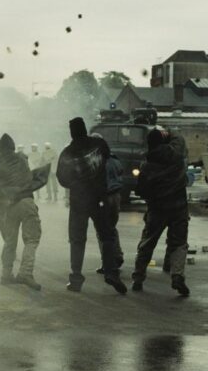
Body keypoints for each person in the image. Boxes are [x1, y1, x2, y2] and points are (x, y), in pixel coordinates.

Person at [57, 117, 126, 294]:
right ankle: (111, 273)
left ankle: (76, 279)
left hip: (79, 202)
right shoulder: (99, 144)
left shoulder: (67, 153)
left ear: (71, 132)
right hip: (99, 199)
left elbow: (62, 179)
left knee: (77, 239)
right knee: (107, 235)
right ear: (85, 129)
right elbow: (107, 156)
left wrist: (76, 182)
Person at [131, 128, 190, 296]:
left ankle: (138, 277)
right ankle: (177, 275)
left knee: (148, 242)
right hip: (179, 207)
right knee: (179, 243)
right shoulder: (178, 157)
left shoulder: (147, 165)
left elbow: (141, 190)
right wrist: (169, 131)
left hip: (157, 209)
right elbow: (179, 139)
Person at [0, 133, 45, 290]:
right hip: (26, 201)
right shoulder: (21, 159)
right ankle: (25, 273)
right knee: (31, 239)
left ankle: (6, 274)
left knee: (10, 241)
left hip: (9, 206)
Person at [96, 143, 125, 274]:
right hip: (116, 196)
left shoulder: (97, 161)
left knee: (102, 231)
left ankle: (107, 262)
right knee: (112, 227)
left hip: (105, 197)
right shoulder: (115, 160)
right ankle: (117, 255)